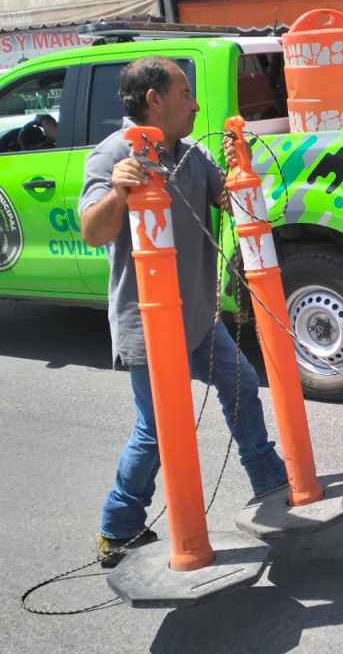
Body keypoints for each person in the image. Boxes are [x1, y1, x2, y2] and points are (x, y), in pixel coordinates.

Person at [80, 57, 287, 567]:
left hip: (196, 317)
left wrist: (239, 178)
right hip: (149, 326)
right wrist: (120, 192)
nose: (195, 104)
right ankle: (118, 527)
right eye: (185, 93)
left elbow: (226, 201)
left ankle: (270, 483)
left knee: (241, 387)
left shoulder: (190, 155)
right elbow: (94, 230)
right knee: (157, 433)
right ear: (154, 99)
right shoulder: (114, 156)